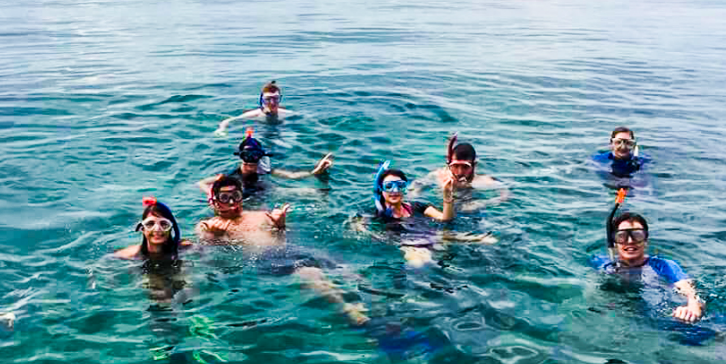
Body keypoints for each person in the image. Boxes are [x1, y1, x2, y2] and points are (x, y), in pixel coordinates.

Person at [197, 175, 369, 325]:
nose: (232, 202)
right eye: (225, 197)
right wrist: (216, 237)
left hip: (290, 249)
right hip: (266, 259)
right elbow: (212, 255)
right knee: (311, 275)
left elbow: (282, 239)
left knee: (348, 271)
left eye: (236, 196)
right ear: (215, 201)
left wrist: (280, 225)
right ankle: (347, 308)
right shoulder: (208, 225)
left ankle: (371, 302)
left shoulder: (260, 215)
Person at [353, 161, 494, 267]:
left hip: (438, 237)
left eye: (400, 185)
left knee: (486, 244)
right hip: (411, 245)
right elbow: (358, 227)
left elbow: (446, 218)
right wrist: (368, 232)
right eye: (389, 186)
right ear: (380, 190)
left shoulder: (418, 206)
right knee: (421, 264)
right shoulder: (376, 214)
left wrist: (447, 195)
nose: (394, 190)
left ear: (404, 188)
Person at [591, 212, 704, 323]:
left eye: (637, 235)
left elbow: (687, 288)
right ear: (614, 243)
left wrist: (693, 307)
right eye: (622, 236)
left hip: (664, 317)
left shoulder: (663, 266)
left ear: (646, 241)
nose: (630, 241)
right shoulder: (602, 263)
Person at [196, 128, 333, 198]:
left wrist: (316, 171)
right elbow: (201, 182)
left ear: (261, 157)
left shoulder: (264, 171)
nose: (251, 161)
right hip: (241, 197)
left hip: (262, 192)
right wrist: (211, 194)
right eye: (246, 156)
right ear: (241, 157)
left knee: (283, 191)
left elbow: (292, 176)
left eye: (255, 156)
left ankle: (320, 194)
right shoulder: (230, 176)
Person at [115, 197, 194, 303]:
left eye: (163, 224)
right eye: (150, 224)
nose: (157, 229)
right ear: (142, 229)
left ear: (171, 227)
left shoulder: (184, 247)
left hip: (175, 269)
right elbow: (106, 262)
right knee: (160, 294)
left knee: (187, 292)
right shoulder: (131, 253)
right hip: (148, 269)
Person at [409, 133, 509, 212]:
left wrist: (483, 203)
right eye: (455, 166)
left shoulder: (482, 181)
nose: (459, 172)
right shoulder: (439, 175)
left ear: (475, 165)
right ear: (449, 164)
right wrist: (415, 194)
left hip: (469, 209)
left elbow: (504, 193)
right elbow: (417, 183)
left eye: (465, 167)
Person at [215, 80, 295, 134]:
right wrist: (221, 129)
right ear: (262, 100)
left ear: (280, 99)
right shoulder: (254, 114)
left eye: (275, 98)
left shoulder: (288, 114)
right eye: (268, 99)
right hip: (261, 134)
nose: (272, 102)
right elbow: (227, 121)